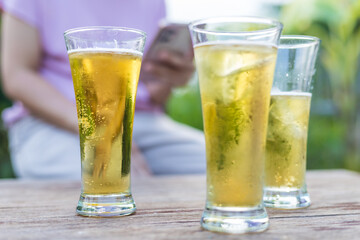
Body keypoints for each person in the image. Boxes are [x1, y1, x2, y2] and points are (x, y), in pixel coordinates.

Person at [0, 0, 205, 179]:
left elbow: (152, 92)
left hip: (140, 122)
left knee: (229, 167)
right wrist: (101, 130)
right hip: (53, 121)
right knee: (109, 184)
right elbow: (16, 76)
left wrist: (169, 77)